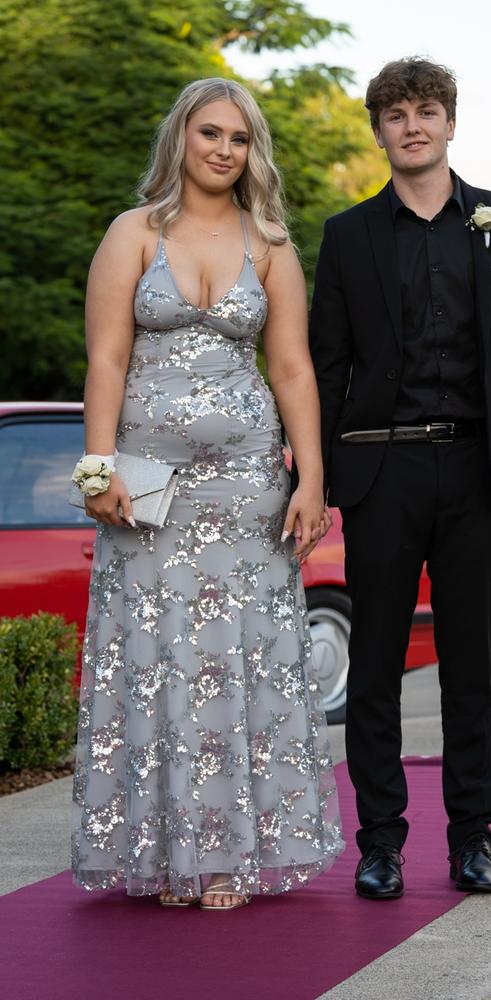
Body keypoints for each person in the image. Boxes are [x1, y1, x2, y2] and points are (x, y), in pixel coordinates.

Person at [304, 58, 491, 899]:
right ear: (379, 131)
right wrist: (313, 480)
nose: (412, 126)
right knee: (378, 663)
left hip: (478, 470)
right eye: (395, 114)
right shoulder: (347, 236)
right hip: (380, 470)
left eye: (426, 111)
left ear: (450, 123)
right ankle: (380, 843)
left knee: (471, 667)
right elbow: (325, 364)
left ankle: (474, 839)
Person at [71, 77, 344, 910]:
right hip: (145, 494)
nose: (224, 149)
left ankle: (225, 856)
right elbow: (107, 361)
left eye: (239, 138)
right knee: (151, 668)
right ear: (181, 140)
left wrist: (311, 479)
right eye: (210, 133)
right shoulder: (131, 234)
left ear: (250, 150)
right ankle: (160, 856)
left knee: (237, 668)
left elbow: (293, 368)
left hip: (246, 490)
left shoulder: (271, 244)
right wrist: (97, 468)